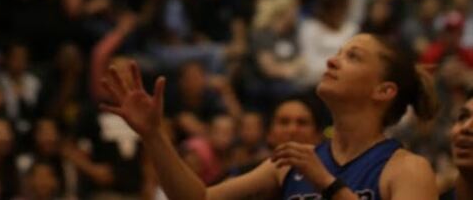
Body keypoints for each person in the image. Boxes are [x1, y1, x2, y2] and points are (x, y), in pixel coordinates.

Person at [99, 33, 438, 200]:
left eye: (353, 57)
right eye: (335, 53)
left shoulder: (408, 169)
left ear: (384, 90)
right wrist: (154, 135)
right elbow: (197, 198)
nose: (332, 61)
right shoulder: (292, 163)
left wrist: (328, 184)